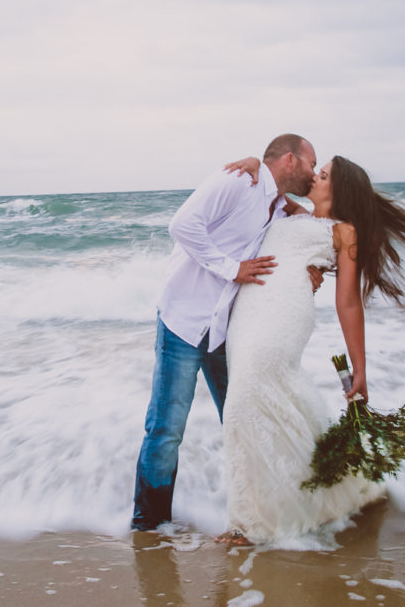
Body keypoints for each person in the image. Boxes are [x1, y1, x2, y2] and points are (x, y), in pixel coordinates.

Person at [218, 155, 405, 545]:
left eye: (322, 176)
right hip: (247, 318)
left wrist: (360, 367)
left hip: (282, 319)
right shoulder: (294, 212)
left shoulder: (345, 232)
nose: (313, 177)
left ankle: (249, 524)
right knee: (264, 403)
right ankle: (326, 491)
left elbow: (348, 302)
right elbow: (271, 182)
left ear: (339, 192)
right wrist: (255, 159)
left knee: (240, 404)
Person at [131, 134, 319, 532]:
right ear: (289, 160)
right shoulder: (237, 181)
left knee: (242, 418)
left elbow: (305, 230)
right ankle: (149, 526)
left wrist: (311, 267)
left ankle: (257, 516)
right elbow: (182, 225)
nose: (314, 173)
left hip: (226, 329)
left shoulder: (277, 210)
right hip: (185, 318)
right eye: (310, 165)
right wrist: (232, 268)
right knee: (166, 429)